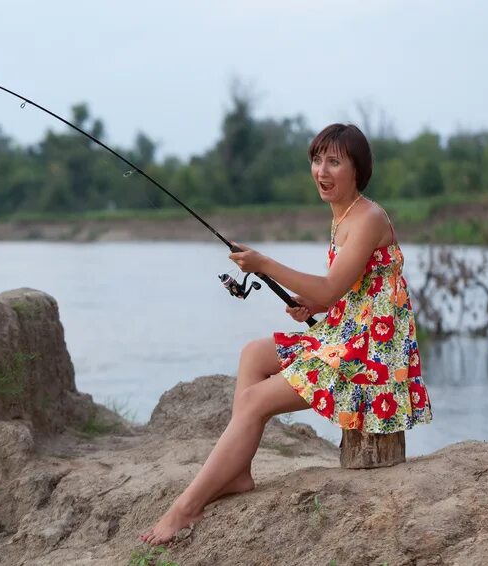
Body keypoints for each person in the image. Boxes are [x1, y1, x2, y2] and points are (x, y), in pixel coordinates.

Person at [139, 123, 433, 545]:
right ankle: (237, 471)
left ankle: (185, 507)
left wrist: (265, 265)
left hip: (372, 354)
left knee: (256, 401)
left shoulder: (368, 217)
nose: (322, 171)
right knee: (254, 354)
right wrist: (313, 305)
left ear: (358, 169)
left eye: (334, 161)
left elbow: (332, 286)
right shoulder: (344, 215)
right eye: (317, 160)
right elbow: (348, 287)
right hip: (350, 331)